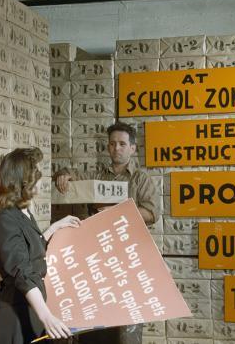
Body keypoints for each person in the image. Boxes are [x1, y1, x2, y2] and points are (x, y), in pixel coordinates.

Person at [53, 121, 161, 344]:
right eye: (112, 144)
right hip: (97, 262)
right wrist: (63, 175)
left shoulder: (141, 180)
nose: (117, 148)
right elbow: (71, 175)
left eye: (122, 144)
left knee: (126, 330)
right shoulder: (95, 175)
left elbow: (152, 213)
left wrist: (117, 211)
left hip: (128, 262)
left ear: (132, 148)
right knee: (95, 328)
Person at [0, 147, 81, 343]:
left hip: (31, 310)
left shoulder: (22, 213)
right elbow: (22, 270)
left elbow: (30, 250)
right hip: (15, 313)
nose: (40, 181)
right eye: (35, 176)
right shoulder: (5, 219)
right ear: (22, 181)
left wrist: (55, 227)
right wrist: (46, 316)